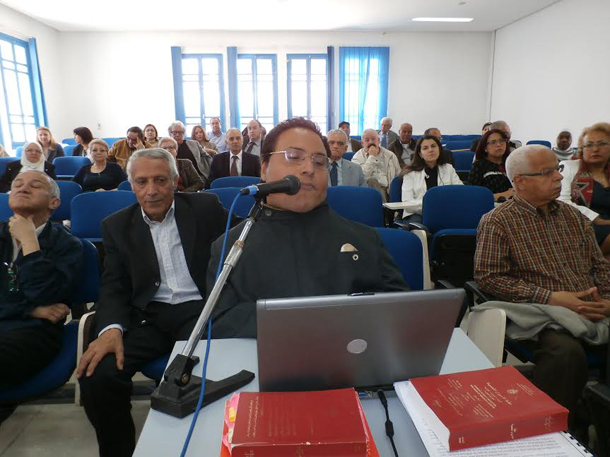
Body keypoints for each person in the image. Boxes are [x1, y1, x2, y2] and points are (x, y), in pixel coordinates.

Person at [77, 148, 230, 457]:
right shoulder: (116, 225)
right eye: (142, 181)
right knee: (98, 374)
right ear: (131, 185)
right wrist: (111, 328)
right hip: (148, 316)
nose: (151, 190)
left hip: (201, 311)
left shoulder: (206, 208)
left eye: (160, 180)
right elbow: (114, 285)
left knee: (204, 377)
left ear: (175, 181)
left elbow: (246, 236)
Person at [207, 118, 409, 338]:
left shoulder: (365, 239)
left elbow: (400, 309)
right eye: (293, 157)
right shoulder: (230, 248)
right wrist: (308, 322)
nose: (308, 168)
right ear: (264, 168)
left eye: (320, 161)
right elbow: (219, 322)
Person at [474, 145, 610, 432]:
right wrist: (551, 298)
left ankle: (598, 414)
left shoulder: (574, 217)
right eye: (547, 173)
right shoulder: (498, 221)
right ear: (520, 181)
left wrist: (608, 300)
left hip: (593, 305)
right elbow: (489, 278)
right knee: (565, 354)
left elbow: (600, 267)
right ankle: (557, 432)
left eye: (557, 171)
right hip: (543, 313)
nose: (559, 178)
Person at [0, 171, 83, 422]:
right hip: (24, 318)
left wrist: (29, 243)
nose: (23, 188)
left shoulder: (67, 245)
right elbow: (38, 303)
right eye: (17, 184)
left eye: (34, 185)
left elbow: (45, 294)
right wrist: (29, 309)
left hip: (32, 334)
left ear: (54, 203)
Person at [559, 122, 610, 255]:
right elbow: (562, 202)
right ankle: (596, 264)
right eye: (589, 145)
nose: (595, 149)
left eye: (602, 144)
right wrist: (598, 219)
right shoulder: (569, 167)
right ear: (582, 148)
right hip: (581, 222)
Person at [400, 135, 462, 222]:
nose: (430, 150)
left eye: (433, 146)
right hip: (418, 214)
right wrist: (431, 207)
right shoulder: (410, 173)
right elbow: (407, 202)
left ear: (439, 149)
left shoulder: (448, 169)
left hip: (446, 212)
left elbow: (460, 192)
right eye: (425, 148)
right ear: (420, 153)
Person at [352, 128, 401, 202]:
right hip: (368, 194)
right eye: (367, 140)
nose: (371, 142)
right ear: (362, 143)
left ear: (378, 140)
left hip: (389, 191)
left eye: (373, 139)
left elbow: (398, 176)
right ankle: (384, 209)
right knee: (371, 180)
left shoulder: (390, 155)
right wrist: (372, 157)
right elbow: (362, 177)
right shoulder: (357, 157)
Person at [468, 129, 514, 201]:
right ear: (485, 148)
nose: (499, 144)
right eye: (493, 142)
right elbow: (473, 195)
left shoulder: (512, 164)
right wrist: (504, 194)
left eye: (502, 140)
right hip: (490, 207)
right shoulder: (479, 166)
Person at [168, 121, 212, 185]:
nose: (177, 135)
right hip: (176, 180)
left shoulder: (194, 144)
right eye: (174, 132)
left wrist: (207, 173)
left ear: (184, 134)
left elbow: (207, 157)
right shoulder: (166, 147)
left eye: (180, 132)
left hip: (198, 177)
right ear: (170, 133)